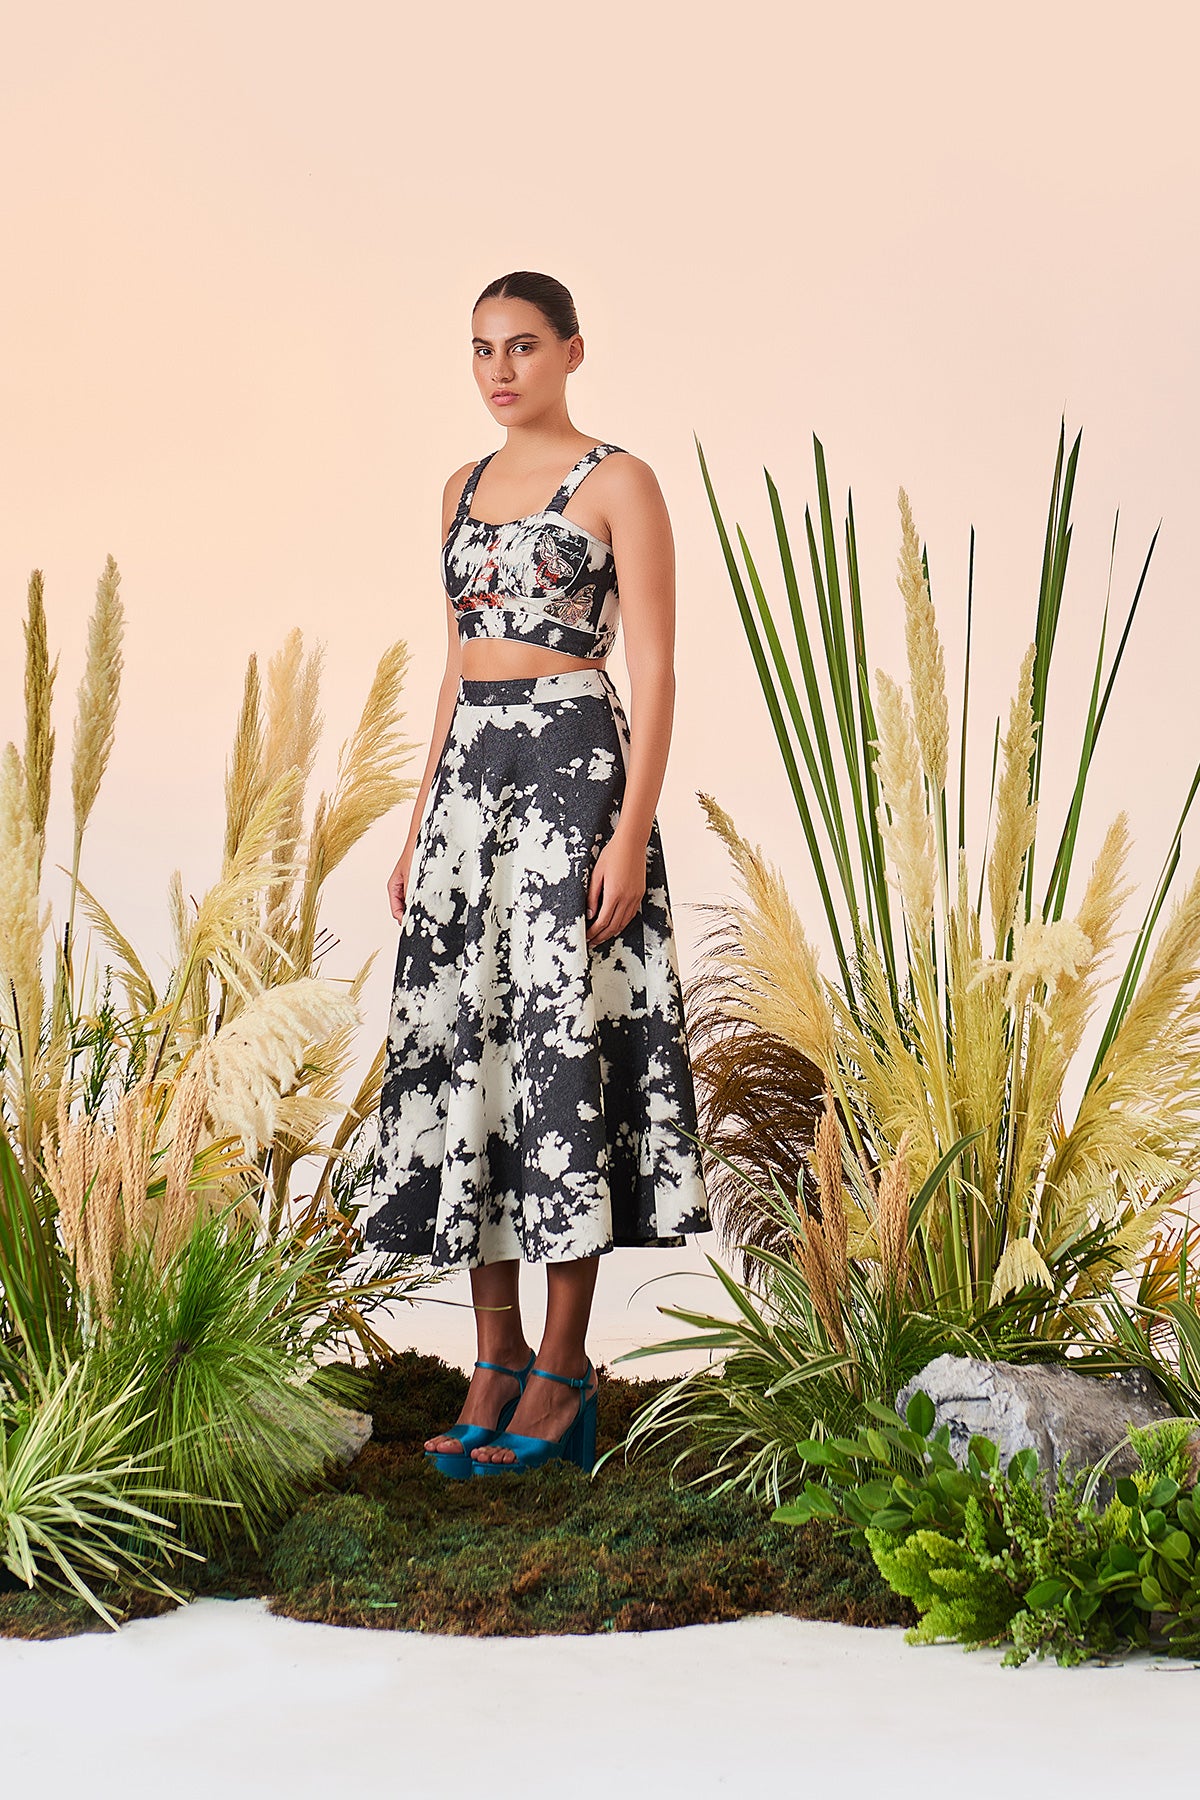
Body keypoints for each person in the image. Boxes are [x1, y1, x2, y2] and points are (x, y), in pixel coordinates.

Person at [360, 269, 711, 1477]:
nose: (499, 370)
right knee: (476, 1057)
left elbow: (655, 670)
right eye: (481, 349)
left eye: (521, 346)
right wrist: (418, 823)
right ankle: (492, 1357)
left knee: (565, 1058)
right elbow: (456, 663)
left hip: (572, 772)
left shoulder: (620, 481)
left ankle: (563, 1369)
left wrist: (629, 833)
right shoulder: (457, 488)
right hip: (472, 784)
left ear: (571, 350)